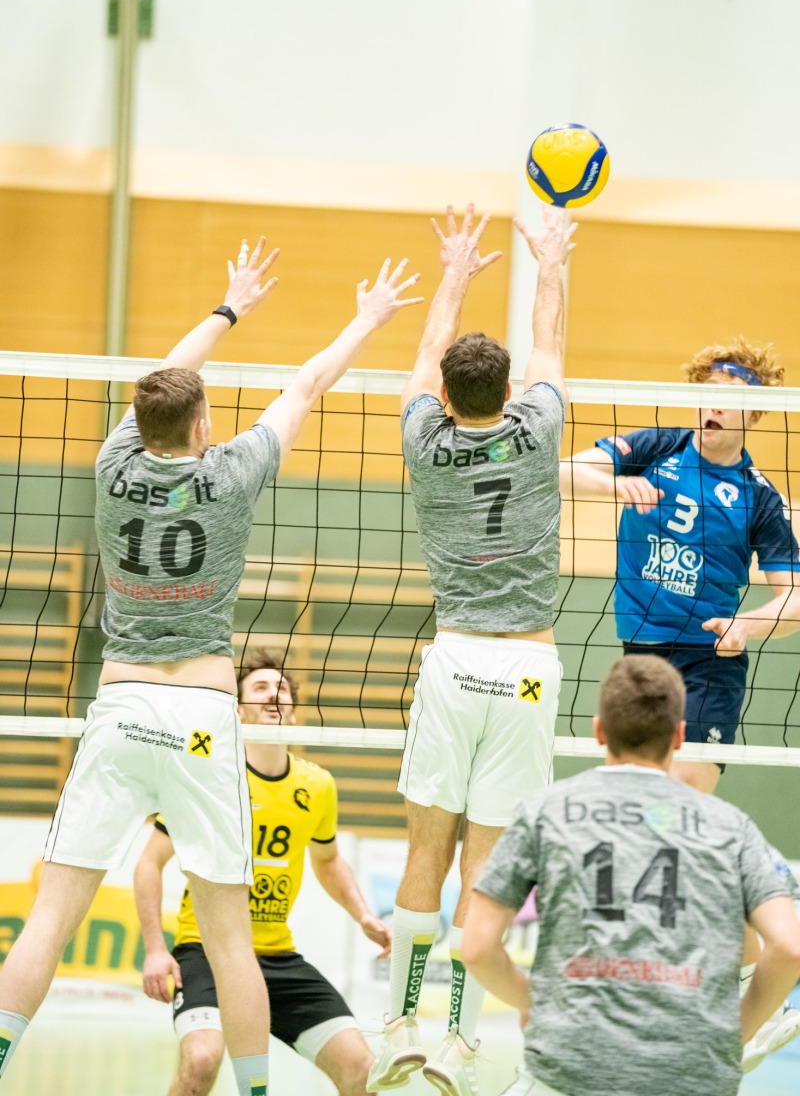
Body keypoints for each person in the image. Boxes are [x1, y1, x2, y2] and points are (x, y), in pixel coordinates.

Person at [0, 238, 421, 1096]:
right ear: (202, 428)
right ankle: (257, 1091)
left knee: (49, 919)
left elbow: (163, 377)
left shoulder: (112, 465)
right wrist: (367, 319)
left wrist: (227, 309)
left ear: (143, 422)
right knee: (231, 938)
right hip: (198, 716)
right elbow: (307, 385)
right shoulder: (232, 473)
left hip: (120, 709)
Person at [368, 205, 575, 1095]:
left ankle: (398, 1028)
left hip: (455, 662)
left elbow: (425, 354)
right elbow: (550, 343)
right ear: (508, 392)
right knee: (483, 864)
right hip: (527, 667)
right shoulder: (540, 425)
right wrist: (550, 259)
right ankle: (459, 1039)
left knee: (426, 851)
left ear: (448, 399)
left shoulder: (425, 439)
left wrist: (454, 268)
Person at [559, 337, 800, 1066]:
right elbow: (563, 470)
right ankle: (739, 963)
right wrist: (616, 488)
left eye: (730, 399)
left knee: (683, 817)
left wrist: (749, 625)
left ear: (755, 415)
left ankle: (743, 986)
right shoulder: (655, 447)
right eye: (707, 393)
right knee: (646, 830)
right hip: (640, 664)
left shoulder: (760, 497)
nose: (712, 407)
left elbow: (794, 594)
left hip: (709, 666)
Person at [461, 653, 800, 1096]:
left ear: (599, 730)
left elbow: (476, 947)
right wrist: (736, 1032)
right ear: (680, 736)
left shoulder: (543, 813)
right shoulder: (732, 828)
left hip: (568, 1068)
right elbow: (789, 948)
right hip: (693, 1075)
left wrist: (535, 1004)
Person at [134, 649, 391, 1096]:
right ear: (237, 709)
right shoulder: (208, 777)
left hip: (277, 958)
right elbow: (149, 864)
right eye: (260, 687)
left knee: (363, 1070)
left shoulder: (317, 785)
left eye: (282, 688)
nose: (274, 694)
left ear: (293, 709)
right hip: (206, 952)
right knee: (201, 1060)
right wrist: (156, 949)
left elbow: (328, 860)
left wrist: (364, 915)